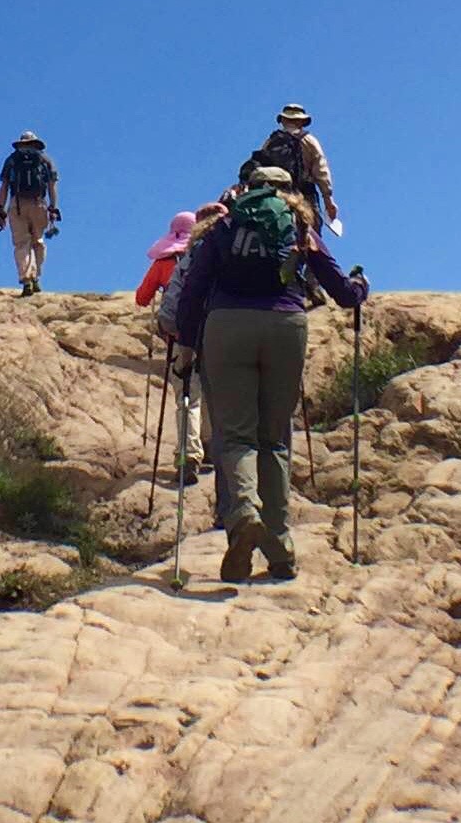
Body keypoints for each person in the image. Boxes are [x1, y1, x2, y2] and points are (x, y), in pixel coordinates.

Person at [172, 165, 367, 581]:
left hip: (227, 326)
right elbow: (341, 292)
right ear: (289, 191)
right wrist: (359, 287)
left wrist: (187, 347)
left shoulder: (223, 227)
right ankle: (281, 553)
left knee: (235, 436)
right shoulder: (300, 228)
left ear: (247, 188)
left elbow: (193, 290)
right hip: (285, 326)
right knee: (275, 440)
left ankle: (244, 513)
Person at [140, 202, 224, 485]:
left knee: (189, 395)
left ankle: (189, 455)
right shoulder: (230, 254)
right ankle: (211, 447)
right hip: (222, 333)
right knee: (214, 393)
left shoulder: (172, 262)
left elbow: (142, 297)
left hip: (182, 336)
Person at [0, 130, 61, 296]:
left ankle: (27, 279)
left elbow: (4, 186)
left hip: (17, 204)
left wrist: (1, 208)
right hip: (39, 203)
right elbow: (52, 186)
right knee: (38, 241)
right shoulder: (45, 160)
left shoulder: (12, 160)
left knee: (21, 243)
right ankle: (36, 277)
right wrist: (53, 207)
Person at [251, 103, 341, 233]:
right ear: (301, 121)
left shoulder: (271, 141)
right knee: (311, 231)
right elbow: (321, 170)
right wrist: (328, 199)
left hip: (275, 195)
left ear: (283, 120)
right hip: (304, 194)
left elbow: (259, 166)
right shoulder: (309, 140)